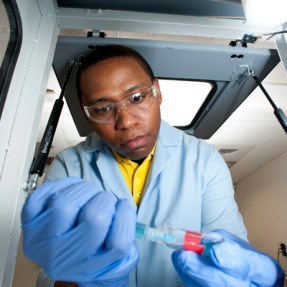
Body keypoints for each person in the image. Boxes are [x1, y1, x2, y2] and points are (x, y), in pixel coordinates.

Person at [21, 45, 284, 287]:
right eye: (102, 109)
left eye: (136, 97)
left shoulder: (203, 159)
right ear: (86, 113)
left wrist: (251, 274)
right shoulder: (69, 165)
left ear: (157, 92)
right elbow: (51, 272)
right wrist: (86, 275)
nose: (125, 122)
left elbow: (230, 246)